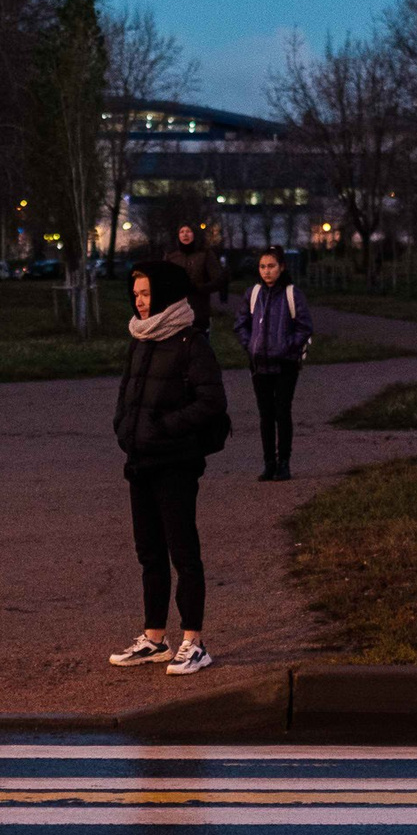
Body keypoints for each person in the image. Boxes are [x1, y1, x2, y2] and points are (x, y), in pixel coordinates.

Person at [106, 259, 228, 676]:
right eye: (136, 294)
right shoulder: (140, 339)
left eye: (146, 294)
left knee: (183, 552)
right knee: (149, 552)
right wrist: (125, 428)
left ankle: (194, 641)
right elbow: (126, 395)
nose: (140, 303)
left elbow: (211, 402)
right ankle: (154, 638)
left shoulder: (191, 342)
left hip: (175, 462)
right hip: (140, 461)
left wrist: (163, 428)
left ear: (165, 295)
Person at [235, 248, 313, 481]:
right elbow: (241, 324)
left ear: (282, 267)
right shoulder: (253, 294)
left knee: (282, 412)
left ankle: (284, 463)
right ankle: (268, 463)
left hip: (285, 364)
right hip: (259, 364)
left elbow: (304, 326)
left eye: (271, 266)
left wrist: (287, 347)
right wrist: (251, 346)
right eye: (262, 267)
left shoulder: (292, 294)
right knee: (265, 414)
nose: (266, 271)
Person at [161, 222, 228, 329]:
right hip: (175, 311)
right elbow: (162, 280)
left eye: (188, 231)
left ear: (195, 234)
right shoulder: (171, 256)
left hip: (198, 311)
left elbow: (219, 280)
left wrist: (199, 288)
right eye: (182, 232)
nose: (185, 235)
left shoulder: (205, 254)